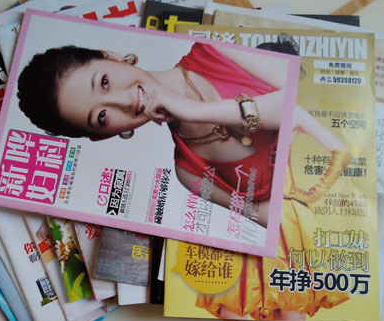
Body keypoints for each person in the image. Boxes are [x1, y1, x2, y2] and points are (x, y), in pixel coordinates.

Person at [17, 42, 350, 230]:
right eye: (101, 117)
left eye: (104, 81)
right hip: (346, 219)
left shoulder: (216, 49)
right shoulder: (189, 173)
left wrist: (197, 110)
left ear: (111, 56)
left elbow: (310, 102)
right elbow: (286, 223)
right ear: (104, 135)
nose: (125, 100)